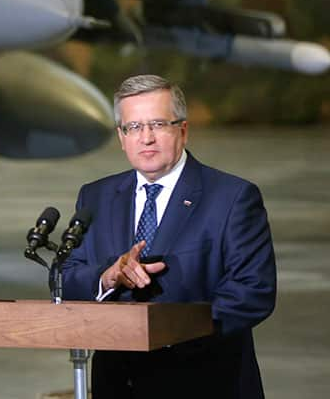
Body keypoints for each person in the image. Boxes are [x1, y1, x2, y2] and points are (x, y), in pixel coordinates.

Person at [62, 74, 276, 399]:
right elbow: (67, 279)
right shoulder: (95, 197)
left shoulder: (232, 197)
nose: (145, 138)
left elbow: (253, 292)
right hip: (119, 386)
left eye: (158, 124)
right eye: (133, 127)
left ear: (183, 129)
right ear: (121, 136)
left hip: (205, 384)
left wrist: (168, 330)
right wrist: (106, 277)